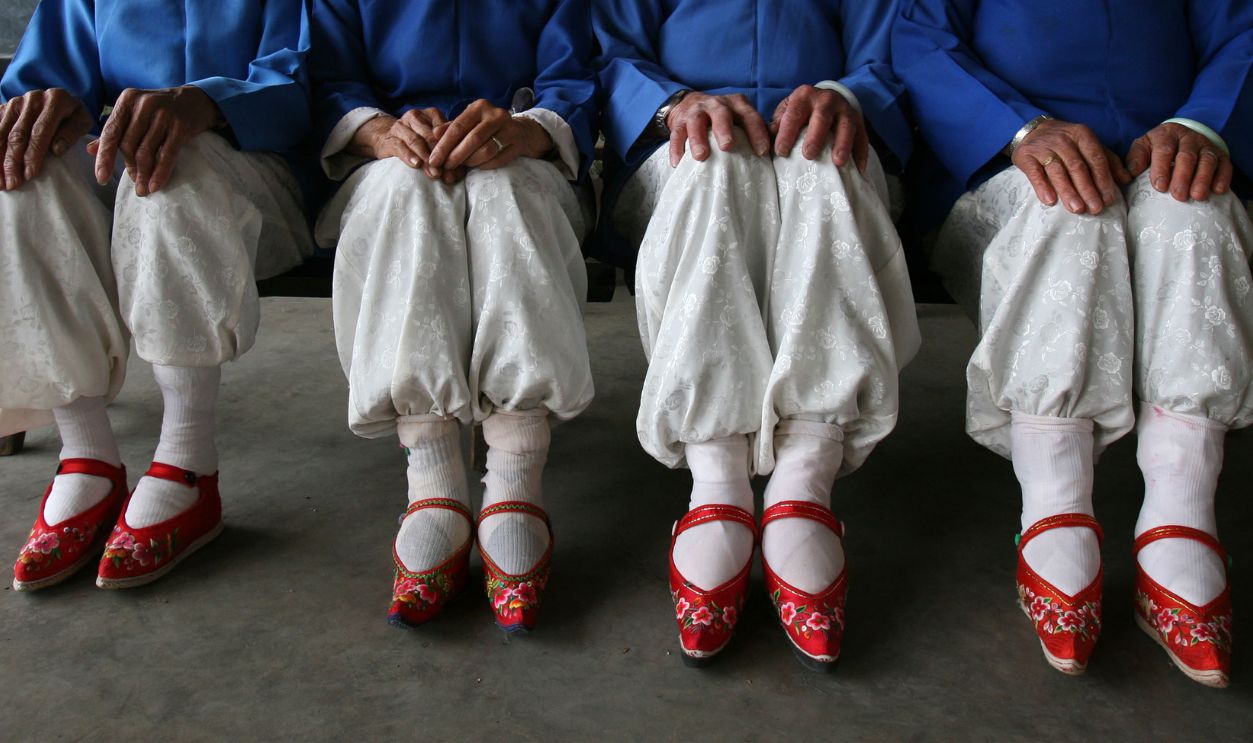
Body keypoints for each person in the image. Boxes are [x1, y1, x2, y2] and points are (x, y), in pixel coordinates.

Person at [893, 0, 1252, 687]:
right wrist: (1017, 128)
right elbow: (918, 39)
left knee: (1194, 220)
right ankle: (1054, 504)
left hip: (1172, 149)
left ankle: (1182, 508)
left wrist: (1201, 122)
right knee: (1069, 217)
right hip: (1006, 162)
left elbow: (1240, 28)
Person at [594, 0, 919, 670]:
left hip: (826, 140)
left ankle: (806, 474)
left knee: (821, 167)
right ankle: (715, 479)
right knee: (713, 164)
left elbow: (889, 39)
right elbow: (611, 45)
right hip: (679, 144)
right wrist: (676, 102)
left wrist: (844, 94)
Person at [3, 0, 314, 591]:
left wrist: (209, 102)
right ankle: (86, 452)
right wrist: (43, 103)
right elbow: (43, 76)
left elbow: (304, 87)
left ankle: (187, 461)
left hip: (252, 177)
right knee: (24, 173)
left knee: (173, 162)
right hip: (111, 161)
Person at [311, 0, 596, 633]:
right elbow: (328, 77)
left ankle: (518, 471)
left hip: (525, 160)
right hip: (382, 164)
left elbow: (574, 72)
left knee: (505, 190)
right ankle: (432, 469)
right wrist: (379, 130)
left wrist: (533, 127)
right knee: (409, 187)